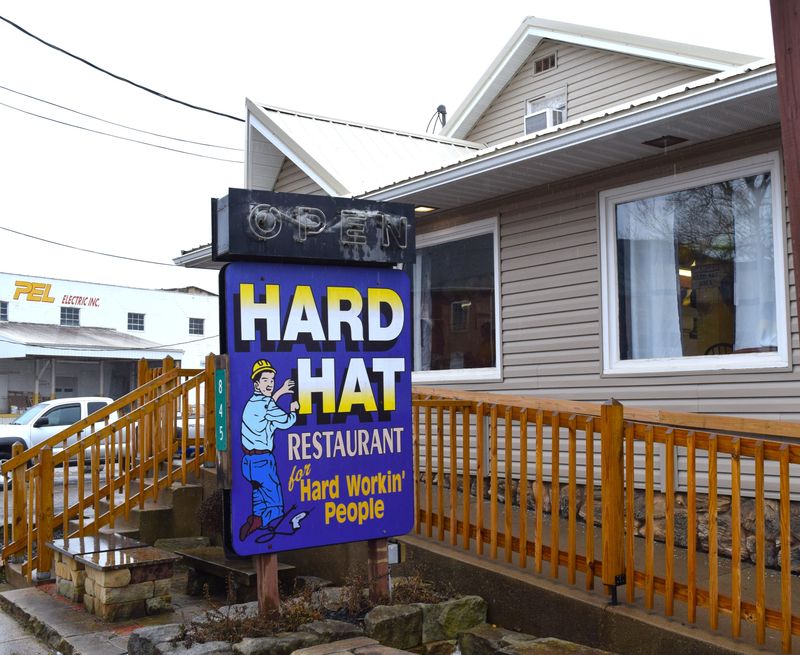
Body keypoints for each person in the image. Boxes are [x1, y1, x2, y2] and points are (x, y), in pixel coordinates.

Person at [238, 359, 299, 541]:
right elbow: (287, 421)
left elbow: (268, 410)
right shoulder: (266, 405)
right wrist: (293, 410)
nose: (270, 384)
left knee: (260, 502)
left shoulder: (252, 403)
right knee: (276, 507)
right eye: (265, 380)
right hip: (262, 462)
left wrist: (280, 391)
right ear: (256, 383)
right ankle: (258, 522)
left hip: (248, 463)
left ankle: (257, 524)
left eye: (271, 380)